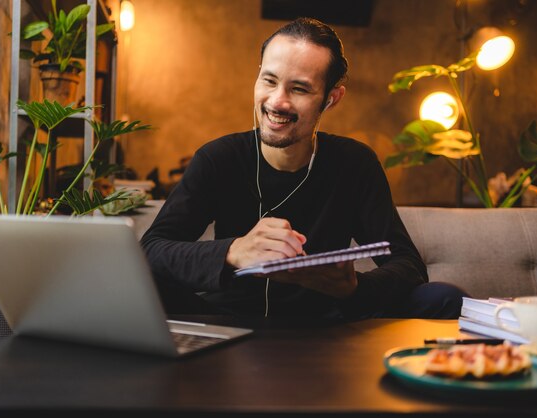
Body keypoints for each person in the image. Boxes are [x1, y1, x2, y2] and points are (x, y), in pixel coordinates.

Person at [140, 17, 468, 319]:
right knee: (147, 283)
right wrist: (232, 251)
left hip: (324, 325)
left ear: (331, 98)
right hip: (228, 320)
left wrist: (354, 288)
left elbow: (409, 266)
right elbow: (152, 249)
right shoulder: (218, 158)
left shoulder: (355, 164)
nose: (277, 101)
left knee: (442, 298)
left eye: (299, 89)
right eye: (269, 81)